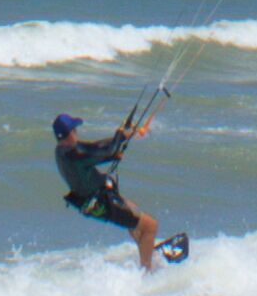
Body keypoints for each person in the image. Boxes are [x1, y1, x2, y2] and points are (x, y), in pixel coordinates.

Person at [51, 109, 180, 271]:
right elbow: (107, 151)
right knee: (150, 226)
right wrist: (119, 137)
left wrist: (125, 136)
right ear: (69, 133)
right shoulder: (75, 153)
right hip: (102, 204)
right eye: (74, 129)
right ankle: (147, 273)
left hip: (97, 199)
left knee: (134, 213)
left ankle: (147, 253)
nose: (76, 132)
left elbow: (96, 148)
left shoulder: (63, 150)